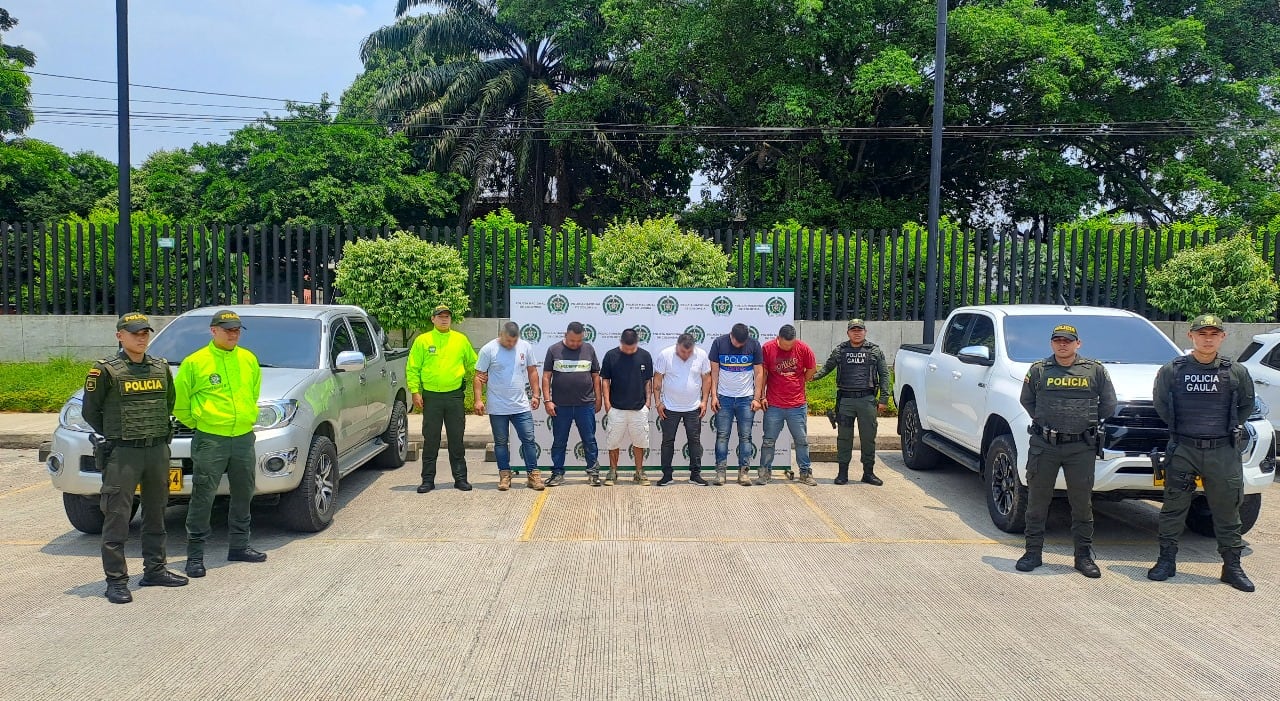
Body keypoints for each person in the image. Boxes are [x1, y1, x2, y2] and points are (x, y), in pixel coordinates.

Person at [82, 312, 187, 604]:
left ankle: (155, 569)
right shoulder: (105, 370)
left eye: (145, 332)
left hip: (156, 450)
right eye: (134, 332)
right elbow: (91, 411)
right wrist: (116, 435)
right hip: (123, 452)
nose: (141, 337)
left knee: (156, 511)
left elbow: (169, 402)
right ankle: (116, 580)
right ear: (120, 336)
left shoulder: (159, 367)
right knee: (117, 515)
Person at [1147, 314, 1257, 592]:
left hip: (1222, 451)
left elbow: (1245, 406)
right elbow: (1161, 404)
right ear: (1191, 337)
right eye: (1202, 334)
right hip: (1184, 448)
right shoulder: (1172, 370)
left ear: (1222, 337)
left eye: (1213, 334)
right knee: (1173, 507)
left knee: (1228, 510)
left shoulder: (1236, 371)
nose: (1207, 339)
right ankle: (1166, 562)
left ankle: (1232, 567)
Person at [1014, 323, 1116, 578]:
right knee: (1037, 502)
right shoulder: (1039, 370)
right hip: (1044, 446)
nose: (1063, 344)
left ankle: (1083, 557)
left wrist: (1084, 425)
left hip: (1080, 447)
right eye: (1058, 340)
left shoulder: (1095, 370)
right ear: (1051, 343)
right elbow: (1026, 400)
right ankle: (1032, 553)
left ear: (1077, 344)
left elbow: (1109, 404)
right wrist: (1045, 421)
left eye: (1068, 340)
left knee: (1081, 504)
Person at [173, 309, 265, 578]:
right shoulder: (195, 362)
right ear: (213, 331)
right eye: (228, 330)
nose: (233, 334)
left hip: (243, 437)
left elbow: (253, 393)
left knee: (244, 491)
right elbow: (180, 404)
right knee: (204, 495)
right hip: (211, 438)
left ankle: (239, 545)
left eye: (237, 330)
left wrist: (247, 416)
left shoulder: (248, 359)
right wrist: (203, 422)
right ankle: (195, 555)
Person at [407, 305, 478, 493]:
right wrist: (415, 391)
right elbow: (413, 368)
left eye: (447, 317)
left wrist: (484, 375)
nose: (444, 319)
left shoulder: (460, 340)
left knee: (456, 438)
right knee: (431, 440)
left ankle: (460, 479)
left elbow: (473, 363)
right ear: (433, 319)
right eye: (440, 317)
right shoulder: (423, 340)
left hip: (454, 396)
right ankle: (427, 480)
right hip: (431, 397)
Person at [812, 319, 891, 486]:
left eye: (860, 329)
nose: (857, 332)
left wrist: (884, 399)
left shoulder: (874, 351)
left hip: (867, 400)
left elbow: (884, 375)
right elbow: (827, 368)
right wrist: (811, 378)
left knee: (868, 438)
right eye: (853, 330)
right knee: (844, 438)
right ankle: (842, 473)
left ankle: (868, 473)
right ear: (848, 332)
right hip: (846, 401)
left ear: (865, 331)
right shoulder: (840, 350)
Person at [474, 322, 544, 491]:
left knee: (528, 440)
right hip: (498, 406)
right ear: (501, 334)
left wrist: (536, 394)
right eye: (507, 341)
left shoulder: (525, 347)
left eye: (514, 341)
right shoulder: (488, 349)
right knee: (501, 442)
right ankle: (505, 475)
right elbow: (478, 376)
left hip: (521, 405)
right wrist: (478, 400)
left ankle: (533, 475)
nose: (511, 344)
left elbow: (532, 371)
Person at [542, 321, 602, 486]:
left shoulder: (589, 349)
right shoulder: (554, 350)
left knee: (589, 440)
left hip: (585, 405)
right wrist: (547, 400)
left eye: (579, 341)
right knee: (559, 441)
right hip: (561, 406)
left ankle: (593, 472)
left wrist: (599, 398)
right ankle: (557, 473)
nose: (575, 344)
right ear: (565, 335)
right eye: (572, 341)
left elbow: (596, 375)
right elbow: (546, 376)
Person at [759, 324, 817, 485]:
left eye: (790, 345)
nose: (788, 348)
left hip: (797, 405)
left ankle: (805, 472)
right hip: (774, 404)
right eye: (784, 345)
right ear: (778, 338)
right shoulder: (768, 348)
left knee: (801, 440)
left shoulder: (803, 348)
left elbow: (811, 369)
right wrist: (762, 396)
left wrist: (800, 380)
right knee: (769, 440)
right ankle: (765, 472)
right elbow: (763, 374)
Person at [708, 323, 765, 486]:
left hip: (746, 399)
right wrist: (714, 396)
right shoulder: (719, 343)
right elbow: (714, 372)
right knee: (722, 436)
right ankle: (720, 472)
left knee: (745, 436)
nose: (739, 345)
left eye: (742, 343)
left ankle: (744, 473)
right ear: (730, 335)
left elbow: (759, 372)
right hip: (724, 398)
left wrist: (756, 398)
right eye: (736, 342)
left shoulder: (754, 344)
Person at [653, 333, 712, 486]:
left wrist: (705, 401)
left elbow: (707, 378)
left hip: (693, 407)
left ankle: (695, 475)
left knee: (694, 441)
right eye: (682, 351)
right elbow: (657, 379)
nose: (685, 355)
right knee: (667, 442)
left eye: (689, 352)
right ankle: (666, 475)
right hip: (670, 407)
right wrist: (658, 402)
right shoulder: (665, 355)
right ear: (677, 346)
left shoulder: (701, 355)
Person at [600, 328, 655, 486]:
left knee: (640, 442)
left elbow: (647, 381)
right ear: (621, 342)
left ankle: (639, 472)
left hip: (639, 409)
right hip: (616, 408)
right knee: (613, 442)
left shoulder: (645, 356)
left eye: (632, 348)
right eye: (626, 348)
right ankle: (612, 472)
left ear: (637, 343)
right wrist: (607, 404)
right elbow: (605, 380)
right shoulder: (611, 355)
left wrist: (648, 403)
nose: (629, 351)